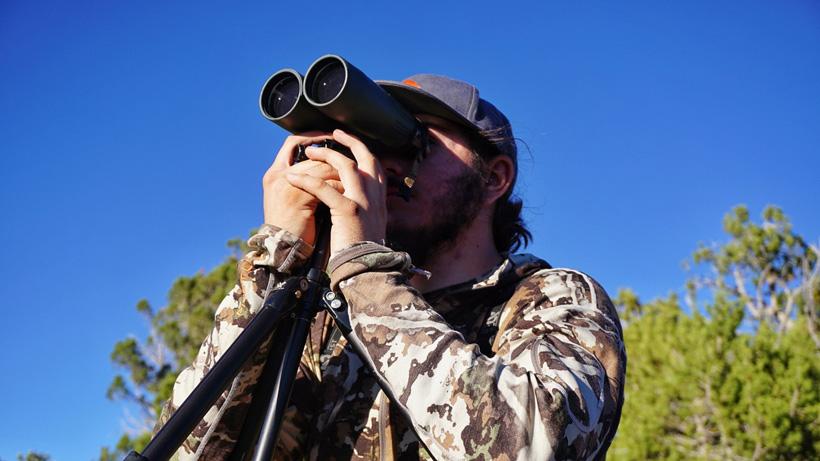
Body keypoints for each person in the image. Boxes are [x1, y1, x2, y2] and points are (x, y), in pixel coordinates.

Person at [155, 74, 626, 460]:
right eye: (374, 138)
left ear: (494, 178)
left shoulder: (552, 296)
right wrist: (273, 267)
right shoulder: (321, 324)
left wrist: (365, 271)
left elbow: (532, 449)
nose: (385, 160)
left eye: (415, 136)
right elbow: (190, 450)